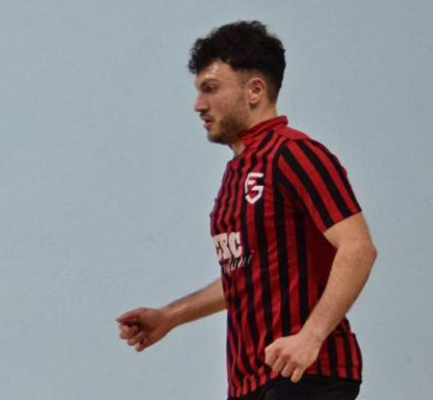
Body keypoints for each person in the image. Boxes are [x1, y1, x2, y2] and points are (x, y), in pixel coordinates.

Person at [117, 21, 377, 400]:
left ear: (255, 90)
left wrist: (310, 337)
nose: (198, 104)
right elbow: (248, 275)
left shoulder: (295, 154)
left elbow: (358, 248)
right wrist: (170, 315)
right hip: (249, 381)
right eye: (198, 91)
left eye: (211, 89)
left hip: (307, 375)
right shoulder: (235, 174)